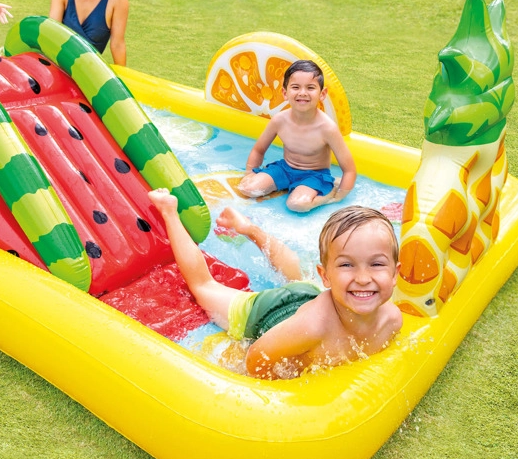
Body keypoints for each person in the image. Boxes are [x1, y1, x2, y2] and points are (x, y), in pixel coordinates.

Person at [149, 189, 403, 379]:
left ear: (395, 274)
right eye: (347, 265)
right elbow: (255, 359)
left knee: (300, 277)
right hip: (270, 311)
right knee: (204, 288)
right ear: (326, 276)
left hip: (314, 294)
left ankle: (249, 228)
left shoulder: (391, 320)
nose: (363, 278)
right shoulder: (310, 328)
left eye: (376, 264)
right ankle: (169, 211)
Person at [238, 60, 356, 213]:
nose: (302, 93)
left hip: (314, 176)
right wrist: (249, 173)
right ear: (285, 93)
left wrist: (339, 195)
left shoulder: (327, 128)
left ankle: (327, 193)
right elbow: (258, 150)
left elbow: (349, 169)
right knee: (247, 189)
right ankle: (285, 185)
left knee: (297, 204)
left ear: (322, 94)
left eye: (310, 87)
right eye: (295, 87)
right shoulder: (279, 120)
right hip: (284, 169)